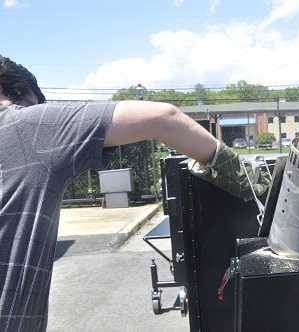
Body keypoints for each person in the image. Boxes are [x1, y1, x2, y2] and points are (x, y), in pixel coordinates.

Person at [0, 56, 269, 331]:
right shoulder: (25, 126)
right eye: (36, 107)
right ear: (19, 92)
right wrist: (254, 184)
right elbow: (164, 118)